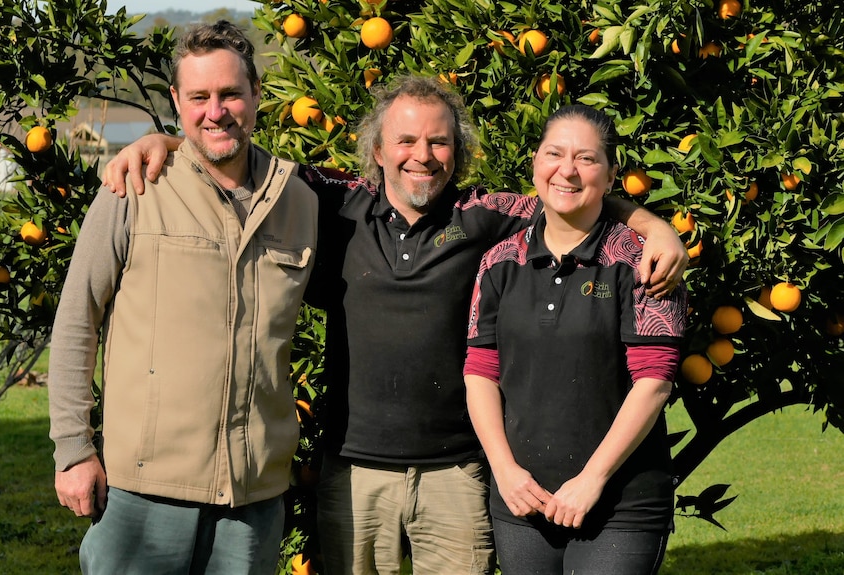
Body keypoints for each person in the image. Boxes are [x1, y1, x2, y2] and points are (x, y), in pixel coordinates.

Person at [103, 76, 687, 574]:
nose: (422, 155)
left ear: (456, 152)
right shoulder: (333, 200)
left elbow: (570, 191)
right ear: (377, 150)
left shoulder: (484, 215)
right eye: (405, 140)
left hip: (455, 472)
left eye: (438, 141)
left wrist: (656, 229)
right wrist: (167, 142)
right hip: (352, 469)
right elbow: (240, 162)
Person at [48, 20, 318, 574]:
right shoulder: (134, 187)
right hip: (143, 492)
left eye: (230, 95)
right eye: (199, 97)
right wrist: (73, 448)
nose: (215, 111)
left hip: (252, 498)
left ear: (257, 95)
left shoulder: (301, 202)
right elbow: (78, 318)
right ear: (176, 100)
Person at [464, 104, 686, 574]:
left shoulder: (642, 261)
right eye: (554, 154)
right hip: (523, 501)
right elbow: (481, 372)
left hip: (619, 505)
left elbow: (656, 381)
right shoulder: (499, 263)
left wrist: (592, 479)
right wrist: (505, 472)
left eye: (586, 158)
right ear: (535, 163)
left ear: (610, 177)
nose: (567, 170)